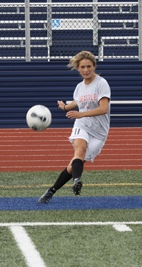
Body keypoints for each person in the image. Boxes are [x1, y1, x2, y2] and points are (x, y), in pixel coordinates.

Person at [38, 50, 111, 204]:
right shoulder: (79, 87)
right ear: (78, 68)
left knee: (74, 164)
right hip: (82, 125)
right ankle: (77, 180)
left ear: (94, 66)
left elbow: (104, 109)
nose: (86, 70)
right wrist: (65, 107)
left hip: (99, 132)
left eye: (89, 67)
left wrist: (81, 114)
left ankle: (51, 191)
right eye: (82, 67)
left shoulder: (101, 83)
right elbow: (77, 103)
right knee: (80, 150)